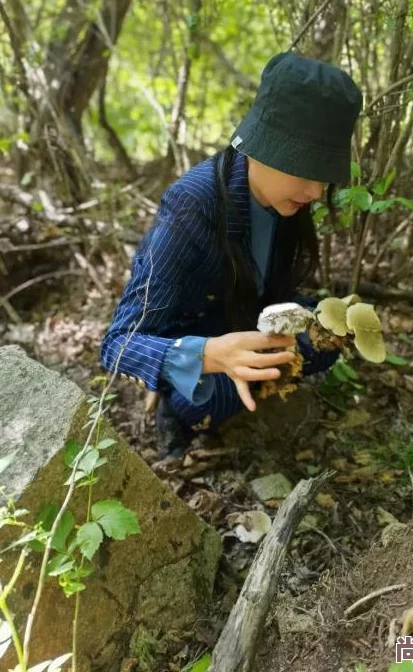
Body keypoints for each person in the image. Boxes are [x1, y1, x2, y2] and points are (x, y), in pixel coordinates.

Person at [101, 52, 362, 459]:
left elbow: (272, 293)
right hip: (202, 339)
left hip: (247, 322)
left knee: (325, 343)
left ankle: (256, 379)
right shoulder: (193, 204)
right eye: (304, 170)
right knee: (210, 398)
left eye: (323, 175)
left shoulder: (286, 201)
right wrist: (210, 354)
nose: (315, 192)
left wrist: (320, 320)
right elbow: (118, 344)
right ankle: (174, 411)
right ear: (263, 146)